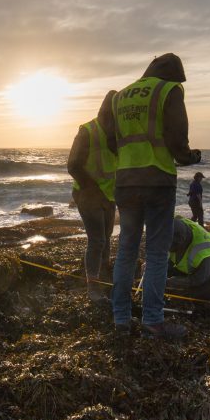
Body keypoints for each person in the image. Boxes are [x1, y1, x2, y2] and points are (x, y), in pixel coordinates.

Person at [110, 53, 201, 340]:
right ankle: (152, 320)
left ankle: (121, 319)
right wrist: (190, 157)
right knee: (157, 253)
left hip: (125, 181)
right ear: (173, 75)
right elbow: (177, 141)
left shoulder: (121, 96)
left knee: (125, 251)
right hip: (158, 181)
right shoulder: (168, 90)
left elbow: (113, 141)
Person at [68, 91, 119, 303]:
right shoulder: (87, 131)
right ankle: (93, 286)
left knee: (106, 238)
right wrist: (92, 189)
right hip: (88, 193)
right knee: (97, 240)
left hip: (110, 194)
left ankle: (102, 275)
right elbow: (73, 166)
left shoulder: (118, 132)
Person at [167, 216, 210, 301]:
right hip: (188, 264)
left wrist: (178, 282)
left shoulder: (202, 249)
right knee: (162, 273)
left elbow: (200, 278)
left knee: (203, 295)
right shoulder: (176, 222)